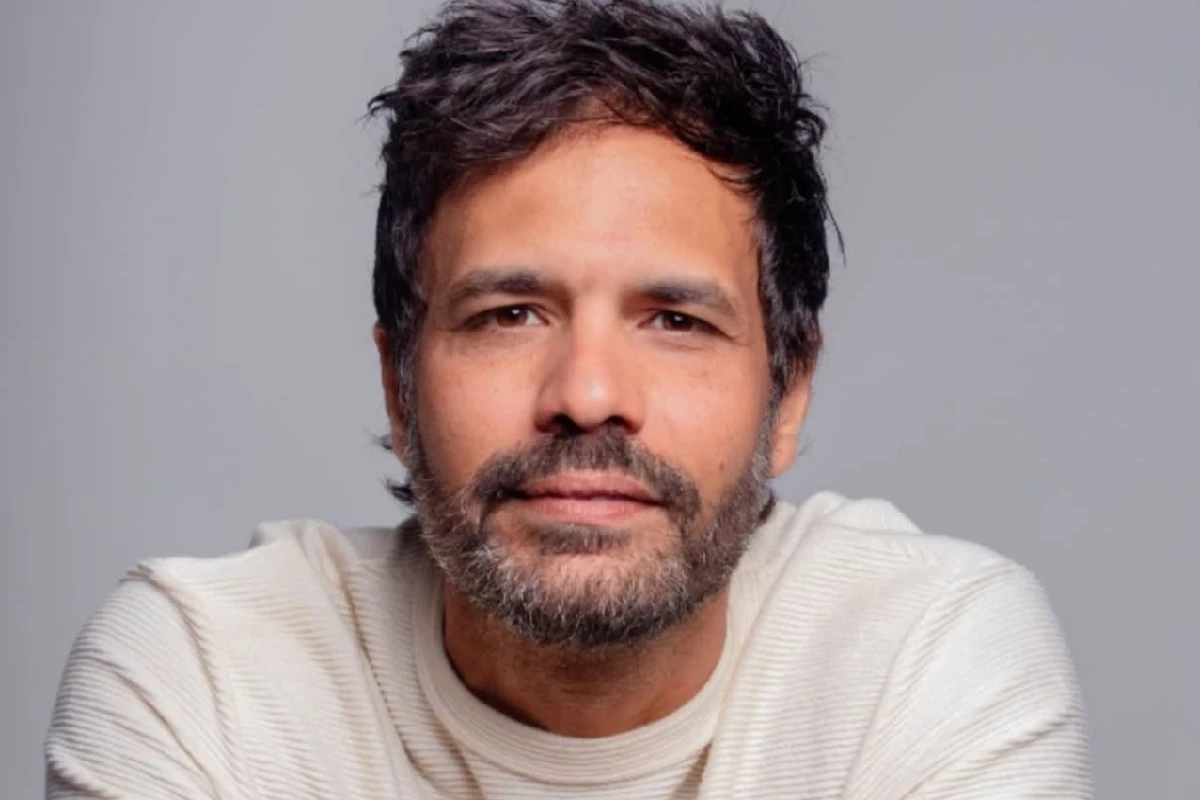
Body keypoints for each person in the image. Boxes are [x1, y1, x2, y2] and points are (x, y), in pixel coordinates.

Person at [45, 0, 1092, 797]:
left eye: (674, 320)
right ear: (398, 387)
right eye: (510, 314)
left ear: (789, 394)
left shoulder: (929, 652)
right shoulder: (206, 673)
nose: (588, 395)